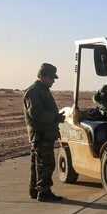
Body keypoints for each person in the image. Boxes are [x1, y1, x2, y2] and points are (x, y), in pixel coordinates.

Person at [23, 63, 65, 202]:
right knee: (46, 164)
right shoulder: (34, 91)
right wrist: (55, 117)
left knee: (38, 164)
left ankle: (35, 190)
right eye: (51, 78)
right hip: (41, 134)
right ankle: (44, 192)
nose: (53, 81)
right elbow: (36, 113)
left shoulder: (42, 90)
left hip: (44, 133)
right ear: (42, 76)